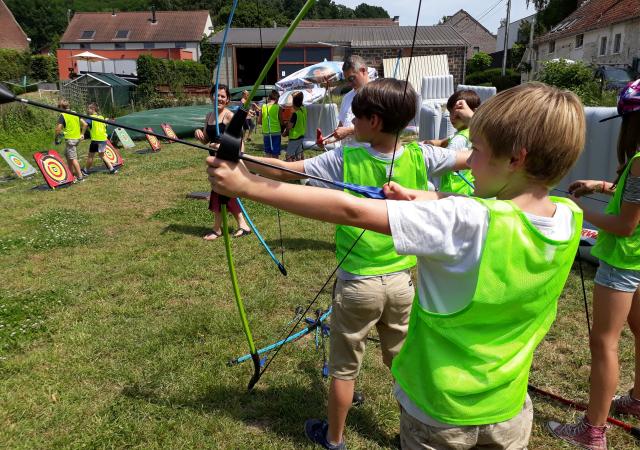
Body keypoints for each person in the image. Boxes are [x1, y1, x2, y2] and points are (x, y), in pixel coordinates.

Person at [207, 82, 586, 449]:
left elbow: (352, 209)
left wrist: (247, 187)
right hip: (508, 410)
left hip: (439, 411)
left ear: (516, 158)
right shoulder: (570, 217)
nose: (470, 162)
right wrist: (416, 195)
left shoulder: (468, 220)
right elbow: (463, 204)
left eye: (477, 151)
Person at [211, 78, 472, 449]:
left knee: (343, 370)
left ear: (375, 121)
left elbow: (288, 171)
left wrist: (240, 157)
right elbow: (468, 157)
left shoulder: (345, 156)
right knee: (402, 366)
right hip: (401, 284)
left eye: (358, 116)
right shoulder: (422, 156)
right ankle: (412, 432)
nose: (353, 121)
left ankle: (333, 440)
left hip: (358, 285)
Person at [548, 80, 640, 450]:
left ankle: (593, 430)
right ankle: (636, 400)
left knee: (604, 343)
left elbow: (625, 224)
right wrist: (601, 186)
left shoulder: (639, 163)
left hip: (623, 263)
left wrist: (576, 209)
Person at [195, 84, 251, 240]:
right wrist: (199, 133)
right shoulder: (209, 116)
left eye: (222, 96)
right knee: (220, 191)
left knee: (224, 191)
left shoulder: (228, 116)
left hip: (226, 159)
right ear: (211, 96)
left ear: (227, 100)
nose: (218, 98)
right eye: (216, 95)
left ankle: (224, 227)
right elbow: (206, 140)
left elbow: (237, 139)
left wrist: (222, 146)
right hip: (214, 160)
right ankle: (224, 227)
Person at [425, 90, 481, 195]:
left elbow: (443, 162)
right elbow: (443, 142)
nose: (452, 118)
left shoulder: (459, 139)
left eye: (458, 115)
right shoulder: (472, 132)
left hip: (454, 190)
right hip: (469, 188)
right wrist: (429, 143)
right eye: (450, 112)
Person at [332, 55, 370, 146]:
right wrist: (326, 141)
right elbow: (341, 126)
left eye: (352, 78)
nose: (349, 83)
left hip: (367, 155)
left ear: (363, 71)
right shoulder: (347, 97)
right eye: (347, 80)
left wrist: (348, 131)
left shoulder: (379, 93)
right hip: (347, 153)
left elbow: (378, 126)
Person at [80, 103, 118, 176]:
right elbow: (105, 126)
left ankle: (85, 171)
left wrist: (82, 133)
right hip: (103, 139)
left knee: (91, 156)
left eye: (89, 109)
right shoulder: (101, 117)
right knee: (102, 155)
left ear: (93, 109)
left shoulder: (90, 118)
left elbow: (85, 124)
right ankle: (112, 169)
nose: (87, 110)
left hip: (95, 140)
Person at [55, 99, 87, 182]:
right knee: (67, 154)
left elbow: (58, 129)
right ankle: (71, 174)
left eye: (59, 107)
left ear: (61, 107)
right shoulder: (75, 113)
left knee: (73, 158)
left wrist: (57, 137)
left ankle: (80, 177)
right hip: (77, 138)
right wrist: (82, 134)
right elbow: (85, 124)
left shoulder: (63, 115)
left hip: (70, 140)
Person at [283, 91, 306, 162]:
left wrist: (285, 132)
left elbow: (289, 127)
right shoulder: (304, 109)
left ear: (293, 102)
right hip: (301, 136)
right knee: (298, 155)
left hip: (294, 137)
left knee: (288, 156)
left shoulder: (295, 114)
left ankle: (290, 170)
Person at [259, 90, 282, 158]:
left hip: (266, 132)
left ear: (269, 97)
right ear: (277, 98)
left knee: (268, 153)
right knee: (275, 153)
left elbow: (259, 121)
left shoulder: (263, 106)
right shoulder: (278, 107)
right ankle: (276, 167)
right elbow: (281, 121)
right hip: (276, 132)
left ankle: (268, 167)